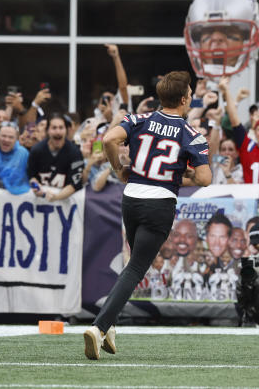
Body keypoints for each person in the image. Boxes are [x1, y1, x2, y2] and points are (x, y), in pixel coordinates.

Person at [83, 70, 212, 360]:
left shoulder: (138, 119)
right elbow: (205, 178)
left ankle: (109, 324)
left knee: (132, 263)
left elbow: (108, 141)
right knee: (136, 268)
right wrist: (179, 176)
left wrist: (119, 169)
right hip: (160, 202)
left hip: (131, 198)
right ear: (182, 99)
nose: (192, 96)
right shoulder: (191, 133)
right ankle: (99, 327)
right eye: (190, 93)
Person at [27, 113, 85, 201]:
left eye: (61, 128)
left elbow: (74, 184)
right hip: (39, 204)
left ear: (66, 130)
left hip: (65, 205)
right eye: (54, 128)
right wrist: (36, 187)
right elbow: (31, 176)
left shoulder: (75, 152)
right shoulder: (36, 150)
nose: (58, 132)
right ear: (47, 131)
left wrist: (56, 197)